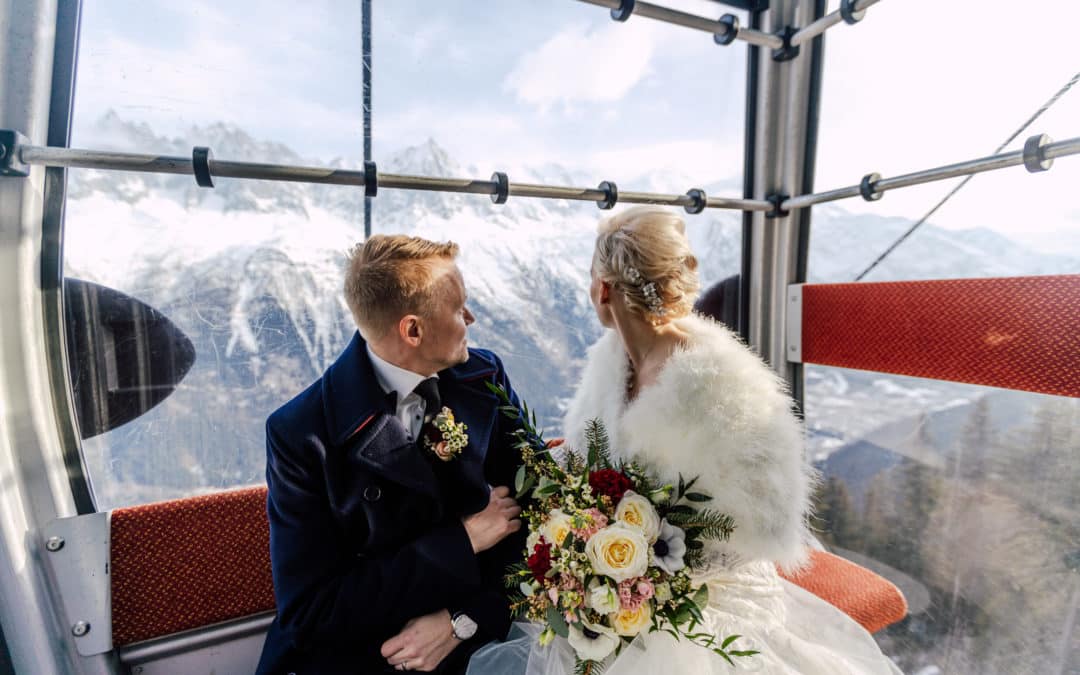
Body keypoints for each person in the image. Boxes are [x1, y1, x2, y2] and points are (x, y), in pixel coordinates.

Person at [468, 206, 902, 674]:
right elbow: (588, 463)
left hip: (704, 591)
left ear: (606, 289)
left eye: (592, 275)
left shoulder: (724, 384)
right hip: (618, 578)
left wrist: (646, 576)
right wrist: (585, 551)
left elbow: (765, 519)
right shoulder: (611, 363)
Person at [256, 234, 529, 675]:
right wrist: (462, 542)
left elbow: (539, 514)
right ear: (413, 330)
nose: (472, 317)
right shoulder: (302, 435)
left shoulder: (483, 377)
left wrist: (465, 617)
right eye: (459, 308)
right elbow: (312, 612)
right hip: (364, 655)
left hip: (474, 635)